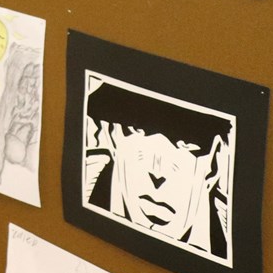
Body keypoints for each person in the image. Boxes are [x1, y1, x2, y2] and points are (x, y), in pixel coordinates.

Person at [82, 80, 233, 262]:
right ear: (113, 137)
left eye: (186, 146)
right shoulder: (85, 200)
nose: (157, 173)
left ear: (214, 163)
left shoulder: (228, 237)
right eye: (138, 131)